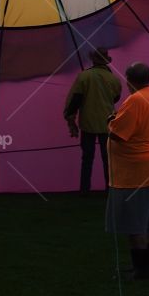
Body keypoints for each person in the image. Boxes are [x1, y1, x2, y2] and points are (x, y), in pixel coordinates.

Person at [105, 61, 149, 280]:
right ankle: (145, 267)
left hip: (137, 171)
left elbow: (118, 133)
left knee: (134, 223)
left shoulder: (134, 100)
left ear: (128, 79)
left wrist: (110, 122)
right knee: (146, 222)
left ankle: (141, 271)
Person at [63, 48, 121, 195]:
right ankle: (111, 189)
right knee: (108, 159)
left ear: (93, 60)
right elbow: (115, 98)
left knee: (87, 158)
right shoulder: (114, 79)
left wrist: (70, 118)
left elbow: (75, 100)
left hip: (87, 124)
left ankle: (84, 190)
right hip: (107, 124)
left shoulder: (84, 76)